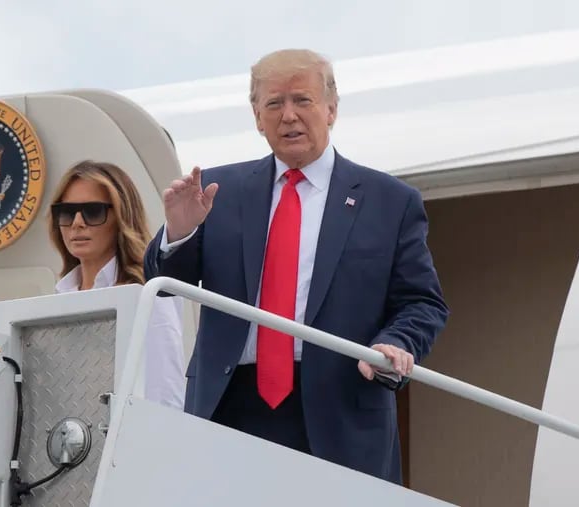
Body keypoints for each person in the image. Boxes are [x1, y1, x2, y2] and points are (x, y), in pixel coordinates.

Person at [143, 49, 449, 483]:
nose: (288, 116)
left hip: (340, 410)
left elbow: (422, 302)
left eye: (302, 100)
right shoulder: (216, 190)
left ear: (331, 109)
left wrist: (395, 342)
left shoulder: (390, 202)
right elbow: (164, 285)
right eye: (274, 103)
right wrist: (179, 233)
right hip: (227, 409)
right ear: (256, 116)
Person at [49, 160, 186, 410]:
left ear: (122, 216)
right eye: (67, 212)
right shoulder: (59, 296)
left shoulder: (148, 293)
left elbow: (165, 391)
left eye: (93, 212)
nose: (77, 223)